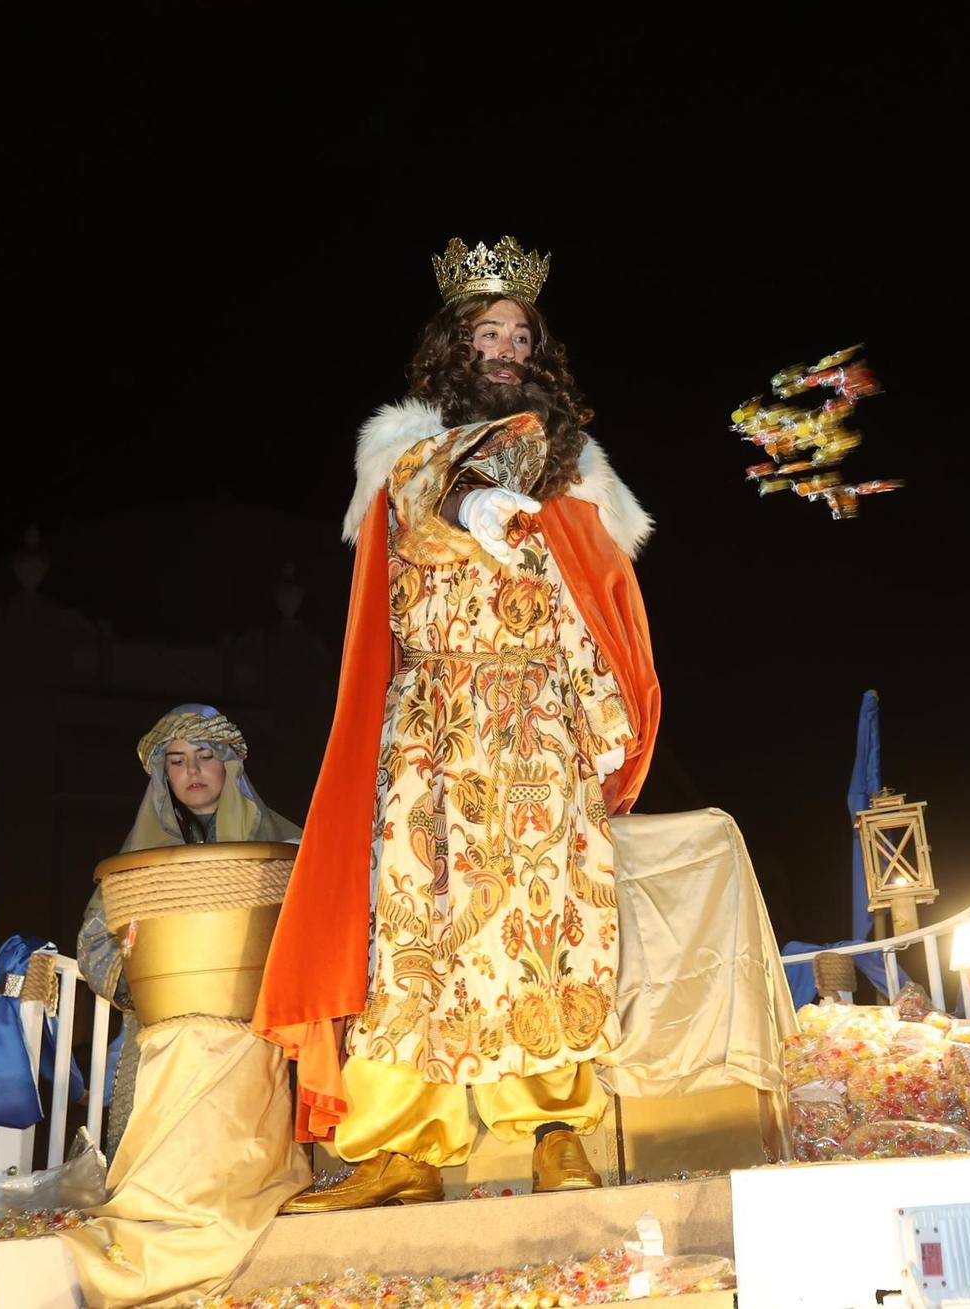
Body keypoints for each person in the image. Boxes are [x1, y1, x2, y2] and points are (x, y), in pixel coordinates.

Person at [254, 236, 659, 1210]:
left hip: (529, 718)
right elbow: (380, 602)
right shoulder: (401, 457)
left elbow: (594, 594)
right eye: (488, 332)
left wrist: (598, 719)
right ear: (454, 344)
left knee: (537, 927)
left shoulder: (568, 460)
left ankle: (556, 1130)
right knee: (413, 927)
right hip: (431, 721)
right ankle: (400, 1147)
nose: (506, 347)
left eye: (520, 333)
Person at [63, 704, 307, 1306]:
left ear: (229, 765)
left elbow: (313, 924)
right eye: (177, 762)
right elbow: (97, 939)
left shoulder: (285, 843)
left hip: (256, 1029)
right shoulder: (135, 859)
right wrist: (139, 969)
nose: (192, 771)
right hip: (166, 1033)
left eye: (204, 757)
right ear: (161, 776)